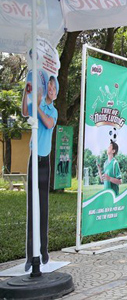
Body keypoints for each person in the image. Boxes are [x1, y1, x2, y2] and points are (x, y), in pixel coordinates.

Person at [22, 75, 58, 271]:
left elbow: (48, 124)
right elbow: (25, 111)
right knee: (31, 208)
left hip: (45, 161)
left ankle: (43, 251)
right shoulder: (37, 101)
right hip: (33, 159)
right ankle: (30, 256)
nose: (51, 90)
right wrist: (26, 93)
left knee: (43, 207)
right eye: (49, 87)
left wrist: (37, 106)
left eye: (54, 88)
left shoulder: (53, 110)